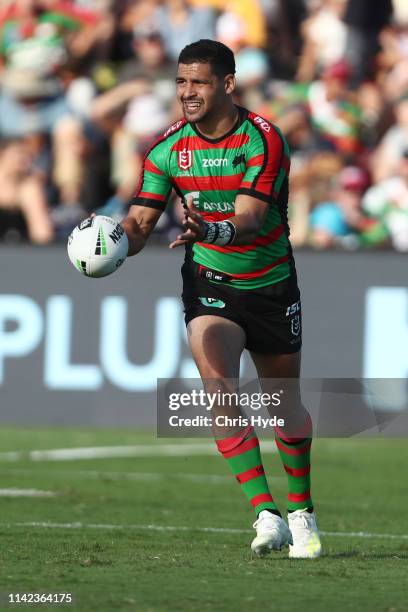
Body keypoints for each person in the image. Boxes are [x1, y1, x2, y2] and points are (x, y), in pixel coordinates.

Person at [120, 39, 322, 558]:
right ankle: (266, 513)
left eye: (199, 83)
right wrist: (113, 243)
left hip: (271, 284)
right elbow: (141, 221)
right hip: (210, 284)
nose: (187, 93)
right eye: (181, 82)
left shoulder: (263, 139)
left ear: (227, 84)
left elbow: (251, 218)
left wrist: (208, 227)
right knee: (218, 386)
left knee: (285, 408)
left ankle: (301, 509)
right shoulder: (166, 148)